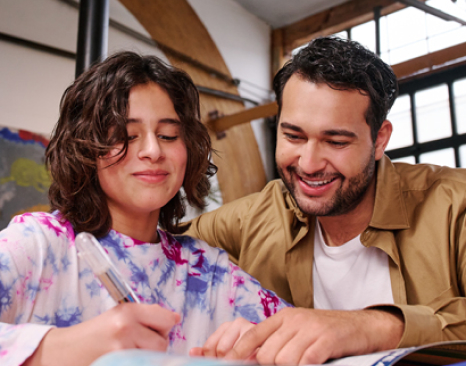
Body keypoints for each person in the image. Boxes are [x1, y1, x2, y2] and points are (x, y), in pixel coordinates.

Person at [187, 37, 466, 365]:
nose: (308, 164)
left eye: (335, 141)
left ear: (379, 139)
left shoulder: (454, 205)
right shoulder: (255, 216)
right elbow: (145, 244)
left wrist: (369, 327)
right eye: (293, 136)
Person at [0, 52, 289, 366]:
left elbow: (307, 340)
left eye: (168, 135)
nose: (153, 150)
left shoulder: (210, 272)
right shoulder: (36, 244)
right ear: (85, 148)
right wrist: (60, 348)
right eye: (127, 135)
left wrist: (261, 348)